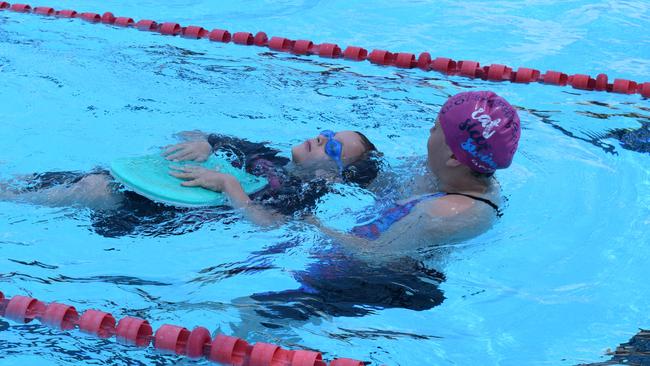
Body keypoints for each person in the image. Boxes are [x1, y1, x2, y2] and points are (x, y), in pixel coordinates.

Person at [0, 130, 381, 237]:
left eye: (332, 146)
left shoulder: (304, 192)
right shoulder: (267, 154)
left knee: (93, 188)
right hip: (144, 182)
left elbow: (270, 226)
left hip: (157, 212)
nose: (320, 137)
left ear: (333, 174)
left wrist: (229, 186)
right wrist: (203, 143)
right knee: (51, 179)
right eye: (328, 132)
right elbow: (200, 134)